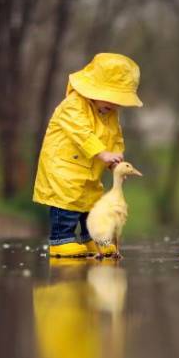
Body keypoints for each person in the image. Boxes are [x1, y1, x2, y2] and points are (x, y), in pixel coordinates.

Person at [33, 53, 142, 257]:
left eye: (119, 101)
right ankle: (60, 239)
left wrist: (115, 159)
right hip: (64, 168)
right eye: (111, 98)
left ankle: (94, 238)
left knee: (92, 205)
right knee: (66, 202)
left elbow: (116, 137)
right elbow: (81, 132)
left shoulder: (109, 113)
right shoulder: (73, 105)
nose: (114, 105)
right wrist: (102, 152)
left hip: (91, 169)